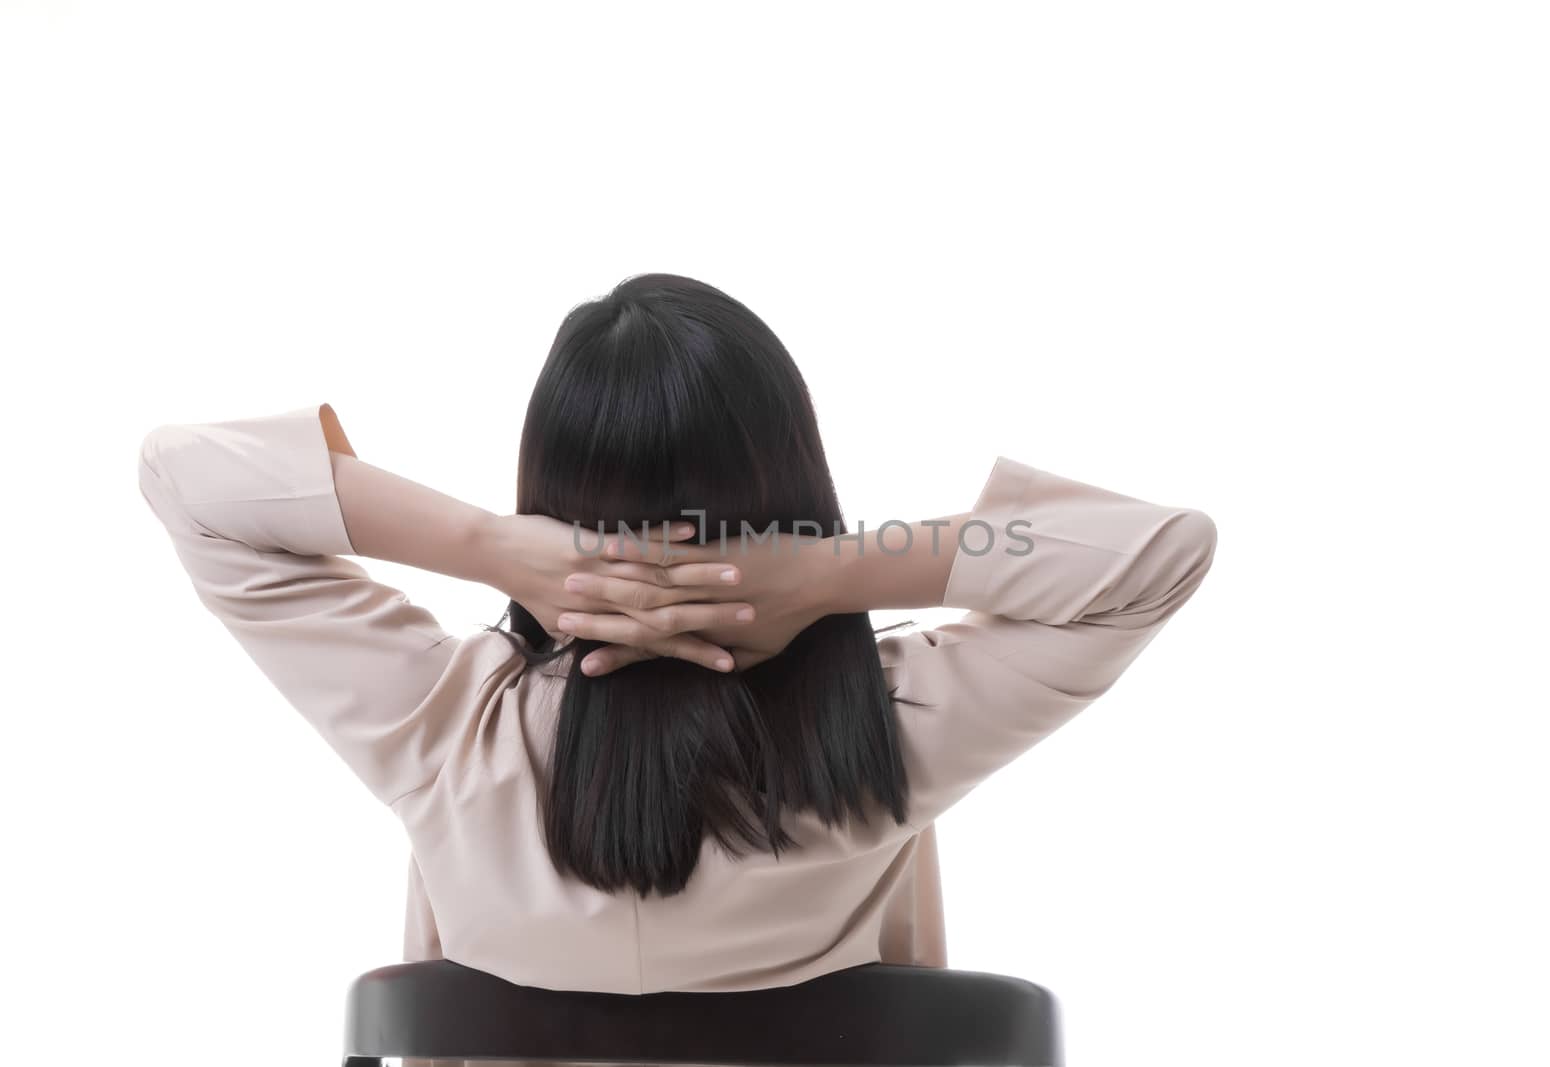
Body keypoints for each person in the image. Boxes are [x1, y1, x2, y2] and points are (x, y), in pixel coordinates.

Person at [137, 272, 1218, 1004]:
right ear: (791, 477)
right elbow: (1155, 551)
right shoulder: (894, 735)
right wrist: (830, 569)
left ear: (549, 491)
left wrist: (485, 545)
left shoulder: (445, 724)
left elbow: (187, 477)